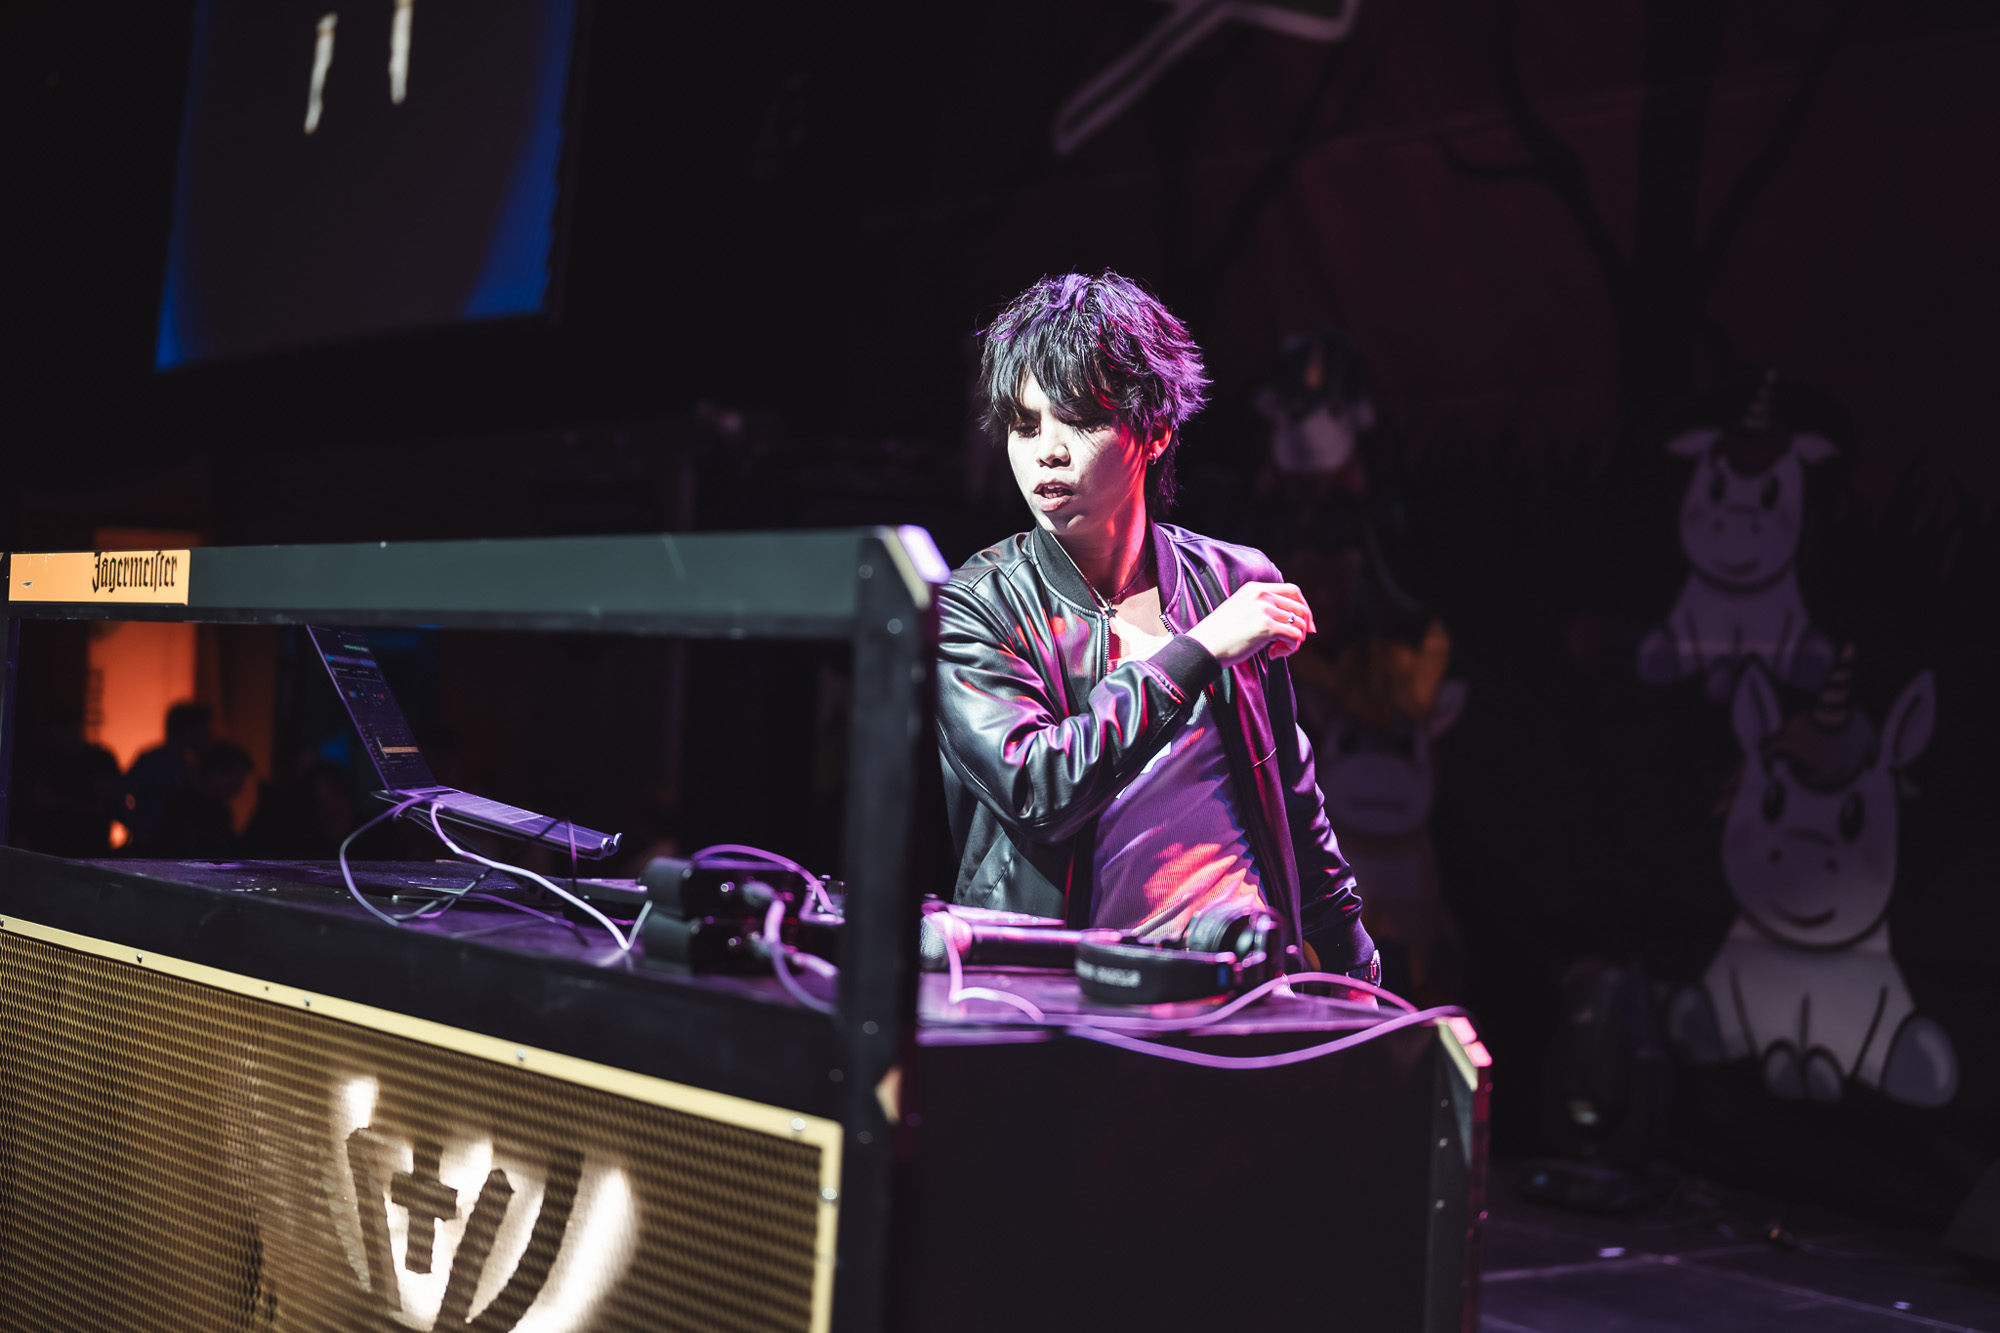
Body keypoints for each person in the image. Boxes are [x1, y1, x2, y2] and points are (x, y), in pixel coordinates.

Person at [936, 272, 1377, 980]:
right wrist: (1196, 652)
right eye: (1025, 424)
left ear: (1156, 428)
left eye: (1079, 419)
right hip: (1061, 995)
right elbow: (1037, 789)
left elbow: (1291, 796)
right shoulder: (977, 603)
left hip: (1238, 981)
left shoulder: (1233, 582)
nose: (1046, 449)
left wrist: (1357, 967)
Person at [119, 701, 212, 851]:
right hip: (155, 848)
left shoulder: (189, 764)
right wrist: (141, 830)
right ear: (188, 730)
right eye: (204, 730)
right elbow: (118, 795)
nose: (208, 736)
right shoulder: (156, 761)